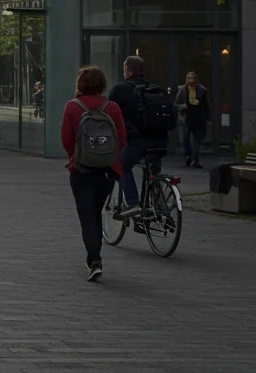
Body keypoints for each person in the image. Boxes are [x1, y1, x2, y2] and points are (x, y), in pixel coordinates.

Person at [61, 65, 127, 282]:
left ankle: (94, 259)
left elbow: (66, 139)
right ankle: (94, 258)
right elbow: (122, 139)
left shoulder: (72, 107)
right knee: (96, 213)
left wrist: (78, 155)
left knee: (87, 216)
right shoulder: (113, 107)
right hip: (108, 171)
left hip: (81, 170)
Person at [108, 55, 173, 217]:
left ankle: (133, 203)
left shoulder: (120, 89)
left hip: (136, 141)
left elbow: (107, 115)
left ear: (127, 70)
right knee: (153, 172)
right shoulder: (156, 89)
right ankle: (159, 205)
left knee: (120, 168)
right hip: (160, 142)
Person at [175, 72, 210, 168]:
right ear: (187, 80)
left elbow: (206, 105)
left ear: (196, 79)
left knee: (196, 141)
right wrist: (183, 106)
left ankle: (195, 160)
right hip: (186, 118)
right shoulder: (182, 90)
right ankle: (188, 156)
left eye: (193, 78)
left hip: (198, 118)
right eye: (189, 78)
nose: (191, 80)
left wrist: (208, 117)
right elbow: (176, 104)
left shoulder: (202, 90)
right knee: (185, 139)